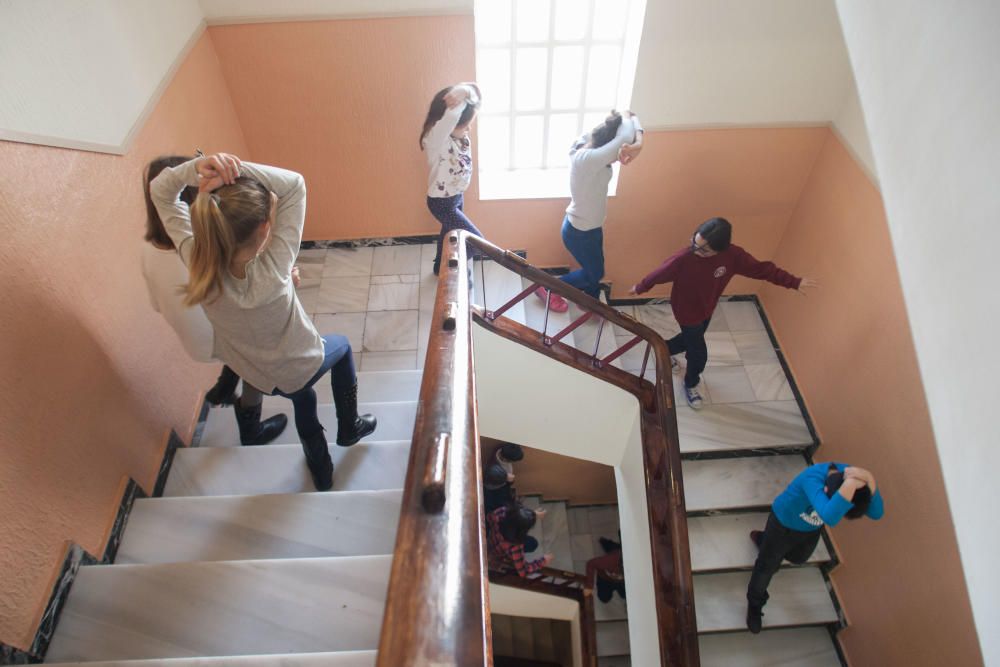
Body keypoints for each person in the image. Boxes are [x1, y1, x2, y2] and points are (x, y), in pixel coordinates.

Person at [150, 153, 377, 491]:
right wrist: (236, 166)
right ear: (265, 228)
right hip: (299, 365)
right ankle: (349, 426)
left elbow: (160, 191)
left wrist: (195, 169)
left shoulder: (197, 262)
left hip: (256, 372)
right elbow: (295, 184)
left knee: (304, 399)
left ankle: (319, 461)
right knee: (341, 348)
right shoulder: (276, 267)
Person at [142, 156, 287, 445]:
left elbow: (156, 305)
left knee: (235, 336)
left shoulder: (148, 250)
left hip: (194, 344)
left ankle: (223, 388)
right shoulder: (212, 261)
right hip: (221, 341)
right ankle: (251, 428)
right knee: (256, 357)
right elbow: (250, 312)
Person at [629, 217, 818, 409]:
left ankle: (664, 350)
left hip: (707, 307)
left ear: (721, 249)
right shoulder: (684, 258)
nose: (696, 251)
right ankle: (691, 383)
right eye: (695, 243)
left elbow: (762, 270)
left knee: (691, 339)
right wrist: (641, 286)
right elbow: (660, 273)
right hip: (686, 311)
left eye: (704, 249)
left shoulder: (733, 256)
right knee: (698, 353)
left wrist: (794, 282)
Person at [746, 462, 883, 633]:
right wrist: (848, 486)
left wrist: (869, 479)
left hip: (810, 529)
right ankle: (755, 603)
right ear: (825, 492)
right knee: (766, 568)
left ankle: (763, 540)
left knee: (799, 558)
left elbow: (877, 513)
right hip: (782, 525)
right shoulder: (813, 479)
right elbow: (830, 517)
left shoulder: (851, 476)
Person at [547, 110, 645, 311]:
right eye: (617, 154)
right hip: (579, 232)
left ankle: (589, 302)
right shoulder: (587, 160)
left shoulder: (589, 142)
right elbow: (626, 135)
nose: (619, 158)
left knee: (595, 269)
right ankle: (550, 288)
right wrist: (637, 142)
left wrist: (633, 123)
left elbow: (626, 120)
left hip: (592, 228)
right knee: (595, 273)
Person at [420, 82, 484, 276]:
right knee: (475, 242)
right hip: (441, 202)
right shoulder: (436, 140)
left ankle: (440, 266)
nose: (468, 129)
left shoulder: (460, 137)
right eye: (465, 126)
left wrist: (465, 90)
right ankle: (453, 273)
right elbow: (451, 118)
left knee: (449, 233)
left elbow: (477, 99)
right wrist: (458, 98)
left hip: (456, 197)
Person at [486, 502, 553, 577]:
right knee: (533, 544)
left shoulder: (501, 512)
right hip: (496, 554)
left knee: (531, 542)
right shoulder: (515, 547)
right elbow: (523, 571)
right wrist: (543, 561)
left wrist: (532, 515)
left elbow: (489, 517)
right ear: (522, 530)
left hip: (490, 539)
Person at [585, 536, 626, 603]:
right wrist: (589, 586)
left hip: (619, 579)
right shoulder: (613, 560)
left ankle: (611, 546)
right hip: (606, 577)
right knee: (604, 597)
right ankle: (607, 543)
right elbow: (591, 564)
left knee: (623, 595)